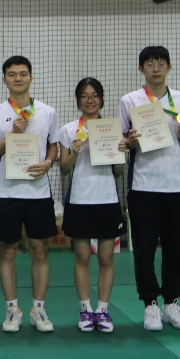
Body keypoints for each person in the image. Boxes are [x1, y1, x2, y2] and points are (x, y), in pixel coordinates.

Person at [0, 56, 60, 333]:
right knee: (8, 251)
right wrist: (11, 136)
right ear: (4, 79)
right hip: (7, 194)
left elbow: (54, 146)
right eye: (12, 74)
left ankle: (39, 309)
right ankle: (12, 310)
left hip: (39, 194)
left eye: (23, 74)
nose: (18, 78)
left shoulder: (48, 112)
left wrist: (48, 163)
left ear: (31, 78)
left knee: (40, 250)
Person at [119, 45, 180, 331]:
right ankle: (150, 304)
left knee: (178, 250)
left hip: (177, 186)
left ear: (169, 68)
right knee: (144, 249)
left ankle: (171, 303)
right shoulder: (130, 100)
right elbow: (123, 143)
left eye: (161, 63)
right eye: (150, 64)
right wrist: (130, 141)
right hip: (143, 186)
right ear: (141, 69)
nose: (155, 68)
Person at [56, 78, 127, 334]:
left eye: (94, 95)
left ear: (101, 99)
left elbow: (118, 172)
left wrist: (120, 155)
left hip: (107, 200)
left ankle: (103, 311)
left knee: (106, 258)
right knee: (82, 257)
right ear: (78, 100)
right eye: (85, 96)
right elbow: (64, 169)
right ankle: (86, 310)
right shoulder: (67, 130)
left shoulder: (112, 129)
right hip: (80, 201)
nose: (90, 100)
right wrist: (74, 152)